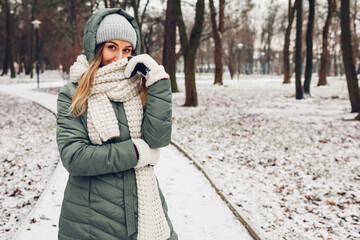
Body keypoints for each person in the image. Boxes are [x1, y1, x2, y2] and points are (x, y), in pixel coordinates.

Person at [56, 8, 178, 240]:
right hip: (91, 221)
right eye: (111, 47)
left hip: (143, 210)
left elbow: (158, 139)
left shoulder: (139, 87)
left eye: (127, 49)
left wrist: (158, 81)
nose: (120, 57)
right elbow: (74, 157)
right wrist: (136, 152)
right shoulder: (73, 93)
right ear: (96, 48)